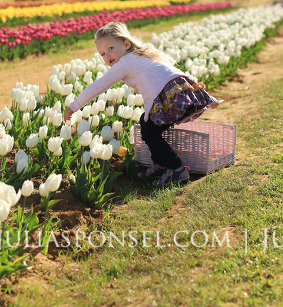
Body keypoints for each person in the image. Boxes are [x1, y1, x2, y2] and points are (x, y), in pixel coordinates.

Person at [63, 22, 221, 186]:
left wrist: (73, 106)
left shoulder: (125, 63)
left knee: (150, 133)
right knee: (147, 127)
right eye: (102, 53)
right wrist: (206, 97)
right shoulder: (142, 56)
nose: (107, 55)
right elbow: (177, 75)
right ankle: (160, 164)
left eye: (110, 48)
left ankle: (176, 169)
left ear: (126, 43)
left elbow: (98, 86)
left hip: (168, 98)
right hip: (179, 94)